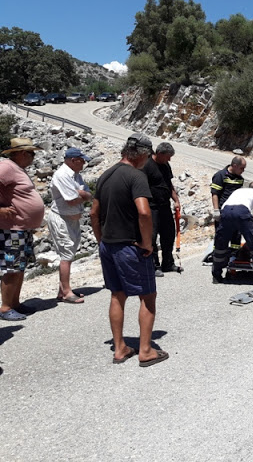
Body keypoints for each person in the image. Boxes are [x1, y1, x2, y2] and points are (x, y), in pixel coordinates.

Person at [90, 133, 168, 367]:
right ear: (143, 154)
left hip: (108, 245)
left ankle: (120, 348)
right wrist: (147, 243)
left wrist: (101, 240)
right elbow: (144, 212)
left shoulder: (105, 175)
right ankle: (145, 350)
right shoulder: (136, 176)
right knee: (148, 297)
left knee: (117, 294)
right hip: (130, 246)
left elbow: (94, 213)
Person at [0, 138, 45, 321]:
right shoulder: (7, 167)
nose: (34, 157)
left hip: (22, 229)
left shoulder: (17, 169)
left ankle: (15, 303)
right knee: (12, 267)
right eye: (32, 153)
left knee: (19, 266)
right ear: (22, 153)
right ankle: (5, 307)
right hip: (12, 229)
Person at [48, 147, 93, 304]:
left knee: (70, 253)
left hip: (72, 219)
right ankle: (67, 292)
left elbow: (87, 194)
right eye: (82, 161)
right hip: (62, 218)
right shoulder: (62, 175)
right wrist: (82, 194)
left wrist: (82, 194)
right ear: (73, 160)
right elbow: (72, 199)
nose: (84, 164)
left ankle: (63, 290)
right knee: (66, 254)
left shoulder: (76, 175)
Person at [211, 181, 253, 287]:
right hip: (242, 211)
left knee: (220, 246)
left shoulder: (238, 191)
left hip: (226, 211)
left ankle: (216, 276)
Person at [142, 142, 182, 277]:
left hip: (165, 206)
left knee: (168, 234)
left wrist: (176, 200)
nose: (169, 159)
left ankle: (168, 263)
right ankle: (154, 265)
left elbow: (169, 184)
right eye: (168, 156)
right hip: (151, 207)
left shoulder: (165, 165)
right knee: (152, 237)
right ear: (159, 154)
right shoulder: (147, 165)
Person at [211, 156, 246, 253]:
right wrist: (216, 210)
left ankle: (234, 255)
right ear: (234, 166)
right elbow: (215, 193)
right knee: (221, 235)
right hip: (223, 211)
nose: (243, 171)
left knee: (236, 234)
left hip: (235, 211)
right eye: (241, 168)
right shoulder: (220, 175)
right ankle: (218, 256)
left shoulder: (240, 179)